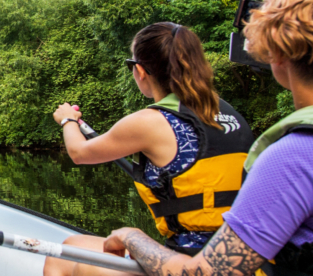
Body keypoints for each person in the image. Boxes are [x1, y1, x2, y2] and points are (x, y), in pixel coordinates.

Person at [96, 0, 313, 276]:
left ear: (278, 55)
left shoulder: (297, 156)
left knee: (71, 260)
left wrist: (131, 236)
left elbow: (207, 274)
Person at [45, 22, 255, 276]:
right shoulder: (227, 111)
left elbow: (79, 153)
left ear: (141, 71)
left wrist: (68, 119)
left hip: (193, 264)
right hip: (242, 260)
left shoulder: (149, 122)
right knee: (68, 248)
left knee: (79, 265)